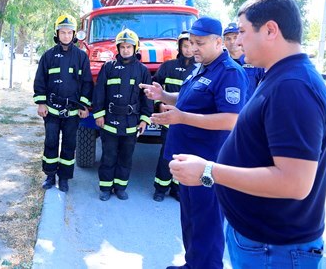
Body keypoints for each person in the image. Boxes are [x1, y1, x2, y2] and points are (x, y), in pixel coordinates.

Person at [170, 0, 326, 269]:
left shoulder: (293, 87)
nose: (238, 41)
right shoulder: (280, 77)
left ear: (270, 30)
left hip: (275, 248)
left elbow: (294, 182)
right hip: (264, 243)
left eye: (243, 31)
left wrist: (208, 171)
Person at [140, 16, 248, 269]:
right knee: (190, 221)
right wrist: (164, 95)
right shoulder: (202, 68)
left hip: (207, 164)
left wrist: (181, 117)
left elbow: (231, 119)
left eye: (199, 43)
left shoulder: (230, 73)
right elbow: (189, 98)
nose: (194, 48)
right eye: (191, 42)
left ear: (218, 42)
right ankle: (192, 265)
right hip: (188, 163)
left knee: (207, 226)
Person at [33, 15, 93, 192]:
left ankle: (64, 178)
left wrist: (83, 106)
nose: (66, 36)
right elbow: (40, 81)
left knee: (69, 145)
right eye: (62, 32)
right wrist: (41, 103)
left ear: (74, 34)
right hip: (51, 110)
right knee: (51, 142)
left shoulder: (81, 57)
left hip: (72, 111)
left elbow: (87, 83)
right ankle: (50, 175)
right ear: (57, 33)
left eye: (69, 32)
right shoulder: (48, 56)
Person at [93, 29, 152, 201]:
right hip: (110, 121)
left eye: (129, 47)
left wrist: (144, 119)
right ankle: (105, 188)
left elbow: (146, 98)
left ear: (135, 48)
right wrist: (98, 114)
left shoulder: (142, 71)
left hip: (131, 123)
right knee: (108, 156)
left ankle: (120, 188)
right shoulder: (108, 68)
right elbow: (99, 93)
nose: (126, 50)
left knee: (125, 157)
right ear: (117, 48)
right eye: (123, 46)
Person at [151, 31, 195, 202]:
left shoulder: (201, 69)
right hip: (169, 121)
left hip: (188, 122)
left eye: (192, 45)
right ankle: (160, 188)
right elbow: (156, 87)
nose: (189, 49)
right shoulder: (167, 66)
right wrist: (158, 105)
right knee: (167, 154)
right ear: (180, 47)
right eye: (185, 45)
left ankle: (176, 188)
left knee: (183, 156)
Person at [223, 22, 265, 98]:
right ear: (224, 42)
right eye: (228, 39)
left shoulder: (254, 61)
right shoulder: (220, 64)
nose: (232, 42)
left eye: (235, 37)